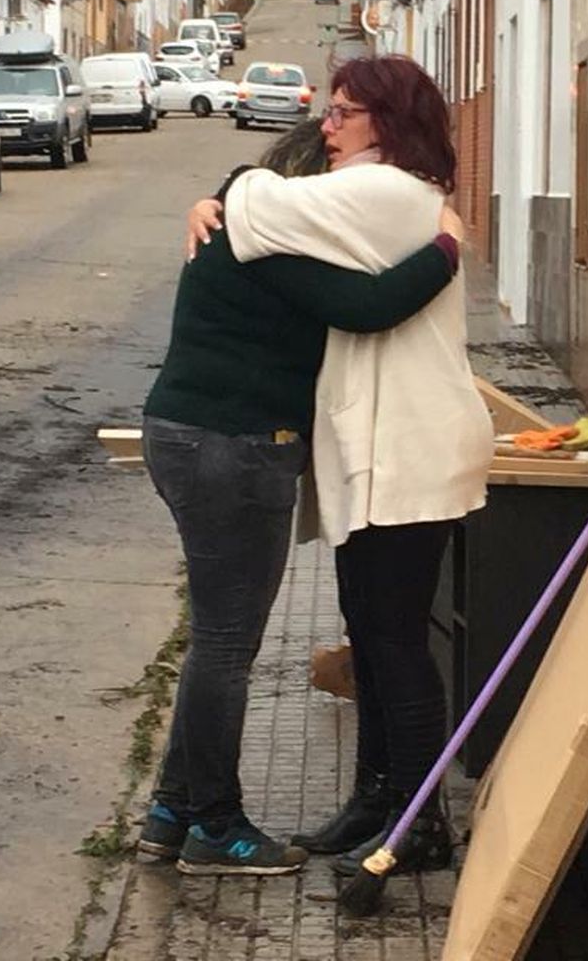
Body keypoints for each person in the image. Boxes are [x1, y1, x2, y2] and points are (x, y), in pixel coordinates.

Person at [189, 55, 494, 877]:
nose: (325, 127)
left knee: (394, 643)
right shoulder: (390, 196)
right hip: (388, 448)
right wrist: (224, 193)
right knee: (373, 633)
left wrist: (222, 193)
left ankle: (420, 818)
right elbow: (268, 202)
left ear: (386, 124)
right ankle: (376, 797)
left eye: (344, 113)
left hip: (412, 447)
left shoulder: (389, 190)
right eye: (329, 111)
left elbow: (258, 204)